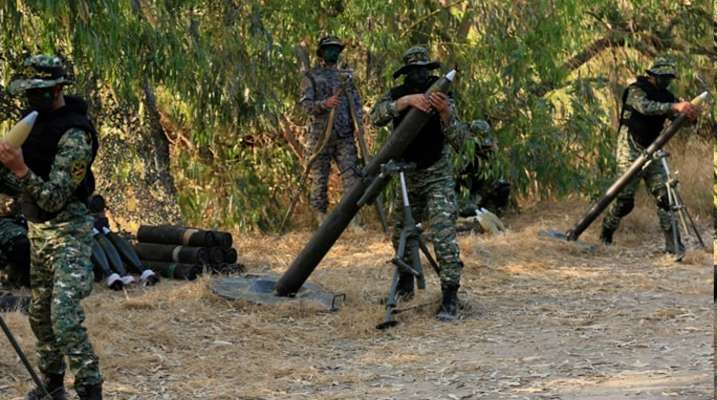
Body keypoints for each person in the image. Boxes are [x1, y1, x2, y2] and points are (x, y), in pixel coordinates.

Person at [0, 54, 103, 399]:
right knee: (40, 314)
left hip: (69, 232)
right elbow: (20, 187)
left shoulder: (75, 134)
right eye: (29, 94)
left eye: (41, 93)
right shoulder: (32, 124)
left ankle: (90, 388)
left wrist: (18, 169)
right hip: (39, 232)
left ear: (58, 89)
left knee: (64, 315)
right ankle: (52, 385)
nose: (34, 100)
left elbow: (54, 196)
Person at [370, 46, 474, 321]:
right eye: (413, 72)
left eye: (423, 71)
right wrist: (405, 102)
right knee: (400, 235)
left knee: (443, 236)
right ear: (405, 74)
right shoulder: (397, 94)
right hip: (407, 176)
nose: (419, 75)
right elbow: (376, 117)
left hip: (436, 174)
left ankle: (450, 297)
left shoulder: (444, 96)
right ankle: (404, 286)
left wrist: (445, 115)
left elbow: (462, 142)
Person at [600, 57, 699, 255]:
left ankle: (674, 247)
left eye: (669, 78)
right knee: (624, 200)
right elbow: (646, 107)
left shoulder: (668, 96)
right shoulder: (636, 90)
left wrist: (690, 116)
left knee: (665, 196)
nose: (666, 81)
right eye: (663, 77)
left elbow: (679, 119)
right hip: (630, 147)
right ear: (652, 76)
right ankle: (606, 233)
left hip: (653, 150)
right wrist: (674, 107)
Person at [300, 36, 363, 226]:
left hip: (344, 135)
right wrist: (324, 104)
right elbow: (305, 106)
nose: (333, 52)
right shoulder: (311, 76)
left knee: (352, 176)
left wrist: (359, 126)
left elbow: (356, 104)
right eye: (329, 49)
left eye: (336, 49)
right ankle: (320, 219)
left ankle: (354, 220)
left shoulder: (347, 77)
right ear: (321, 52)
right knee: (320, 177)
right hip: (321, 136)